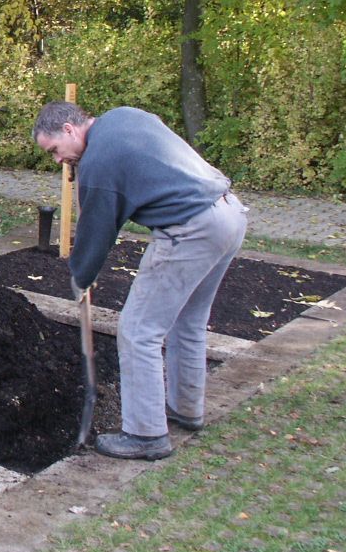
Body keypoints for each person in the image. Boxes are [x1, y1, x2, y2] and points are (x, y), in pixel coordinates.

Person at [32, 101, 248, 460]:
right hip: (227, 214)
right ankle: (186, 409)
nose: (57, 160)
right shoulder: (123, 116)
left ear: (69, 129)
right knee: (188, 321)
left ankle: (146, 434)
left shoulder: (98, 160)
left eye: (54, 150)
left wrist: (81, 276)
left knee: (138, 330)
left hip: (190, 229)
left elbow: (98, 229)